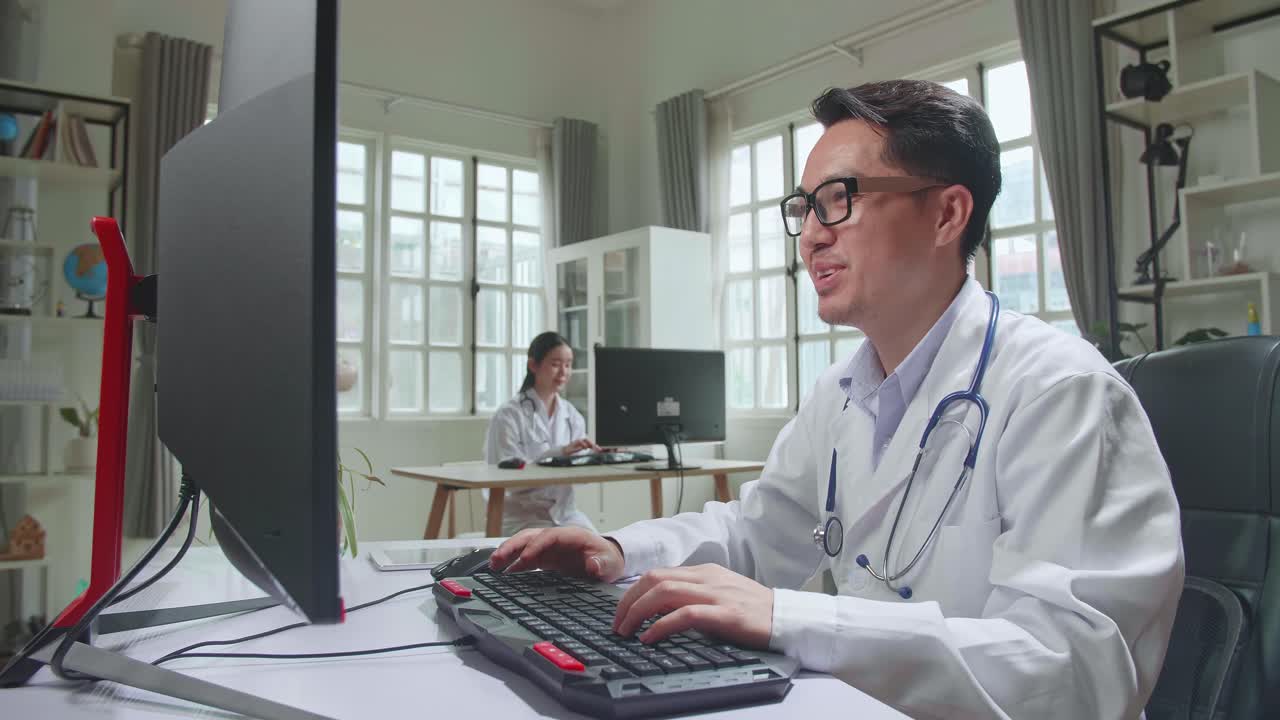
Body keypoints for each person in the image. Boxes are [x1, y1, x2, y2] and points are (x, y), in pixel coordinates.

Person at [490, 80, 1184, 718]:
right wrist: (617, 550)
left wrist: (791, 618)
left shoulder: (1062, 393)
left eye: (839, 199)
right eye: (804, 208)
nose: (813, 233)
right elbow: (758, 534)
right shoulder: (842, 390)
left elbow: (1072, 672)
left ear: (947, 214)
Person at [483, 331, 601, 535]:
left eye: (568, 364)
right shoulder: (509, 415)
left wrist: (598, 459)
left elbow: (581, 478)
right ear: (533, 365)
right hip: (522, 516)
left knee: (603, 551)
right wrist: (560, 453)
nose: (563, 372)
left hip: (565, 515)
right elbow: (507, 476)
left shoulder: (572, 416)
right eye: (556, 364)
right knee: (562, 555)